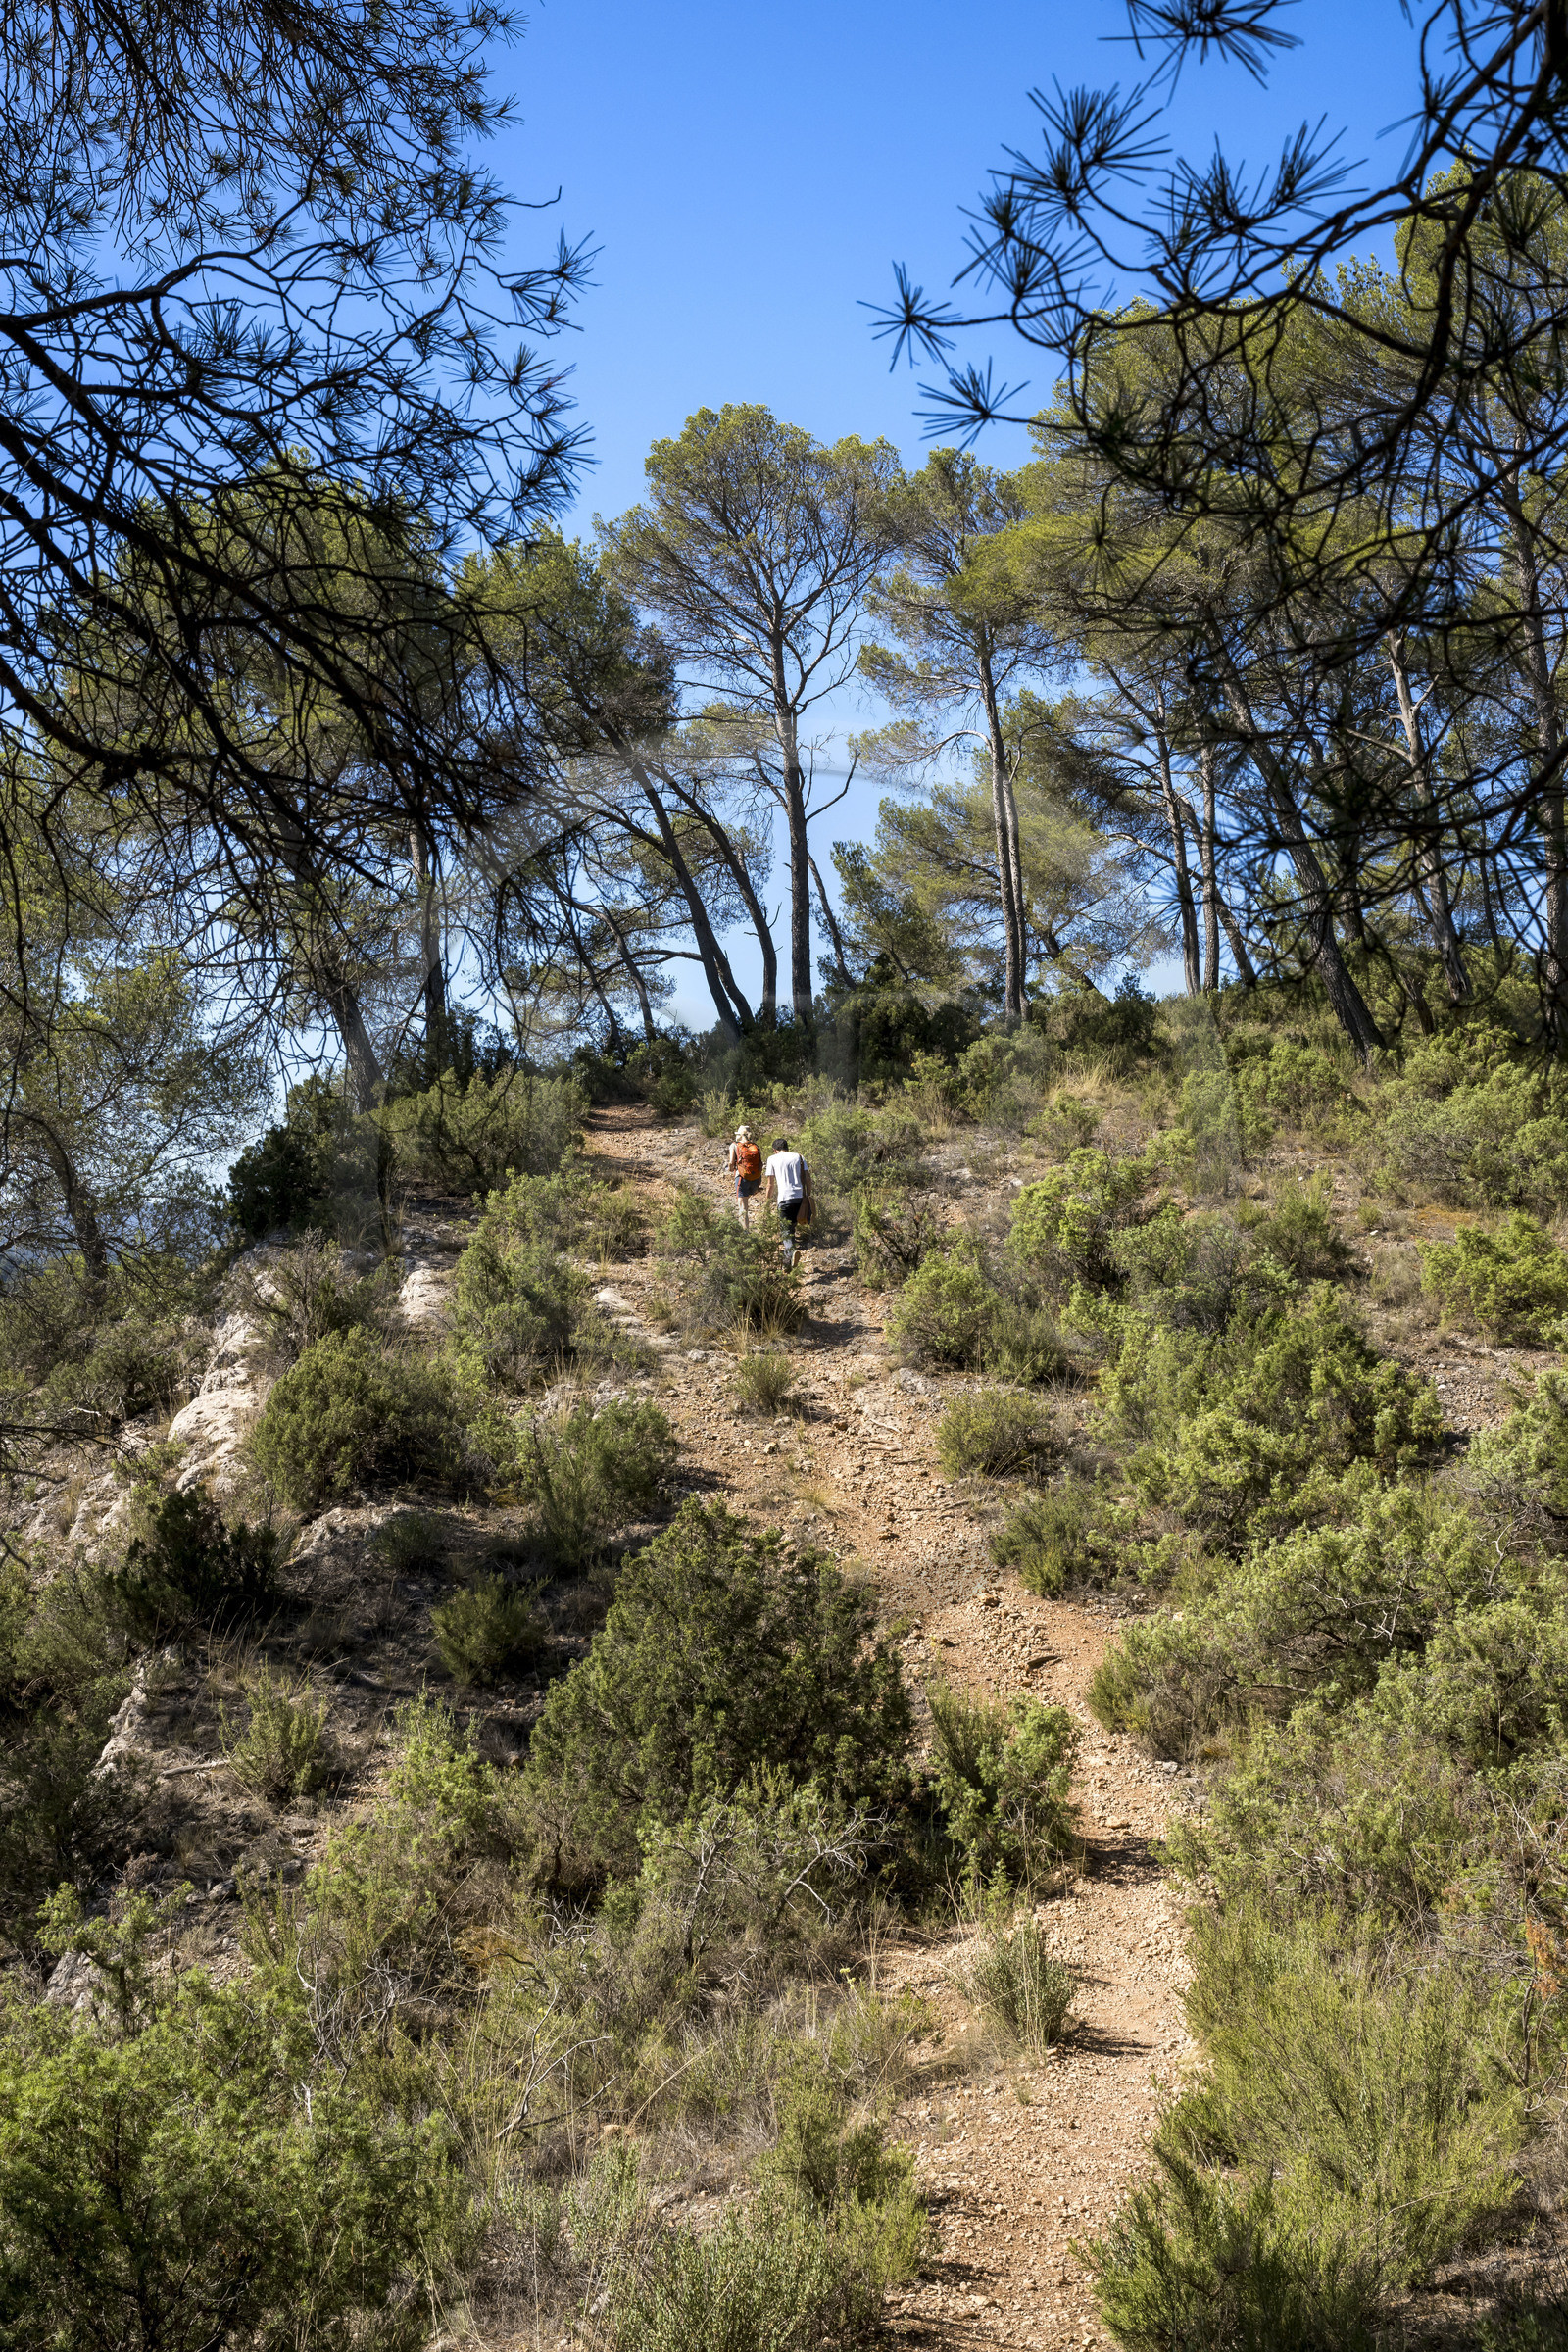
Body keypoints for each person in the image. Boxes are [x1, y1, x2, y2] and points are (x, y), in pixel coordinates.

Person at [763, 1134, 813, 1267]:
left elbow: (770, 1184)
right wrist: (809, 1194)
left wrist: (768, 1202)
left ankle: (790, 1254)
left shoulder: (772, 1159)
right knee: (792, 1226)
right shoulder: (799, 1157)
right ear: (787, 1147)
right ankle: (789, 1261)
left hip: (784, 1198)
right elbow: (808, 1178)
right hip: (799, 1198)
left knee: (785, 1229)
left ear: (775, 1149)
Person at [725, 1124, 763, 1226]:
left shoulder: (734, 1145)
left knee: (743, 1208)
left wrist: (730, 1168)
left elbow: (731, 1164)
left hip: (742, 1178)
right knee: (747, 1204)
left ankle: (745, 1235)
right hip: (755, 1178)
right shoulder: (755, 1146)